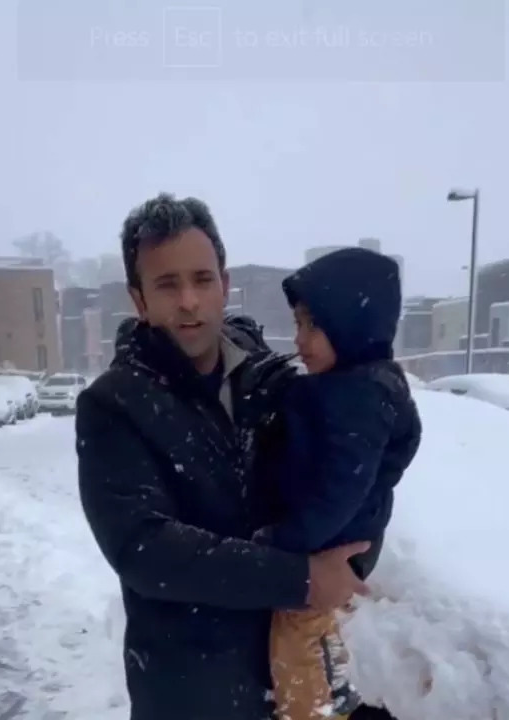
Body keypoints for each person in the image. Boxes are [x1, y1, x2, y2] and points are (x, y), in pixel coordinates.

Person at [75, 193, 372, 720]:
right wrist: (300, 578)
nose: (189, 300)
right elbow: (145, 550)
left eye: (202, 279)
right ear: (139, 300)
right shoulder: (113, 406)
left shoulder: (272, 381)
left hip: (292, 681)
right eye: (167, 284)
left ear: (224, 284)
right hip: (194, 695)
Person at [259, 247, 422, 719]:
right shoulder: (350, 387)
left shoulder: (359, 397)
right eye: (297, 325)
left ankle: (307, 711)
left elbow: (339, 490)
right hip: (338, 536)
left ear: (353, 328)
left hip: (333, 541)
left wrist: (285, 543)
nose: (300, 339)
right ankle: (332, 689)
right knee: (315, 628)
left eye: (314, 325)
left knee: (294, 631)